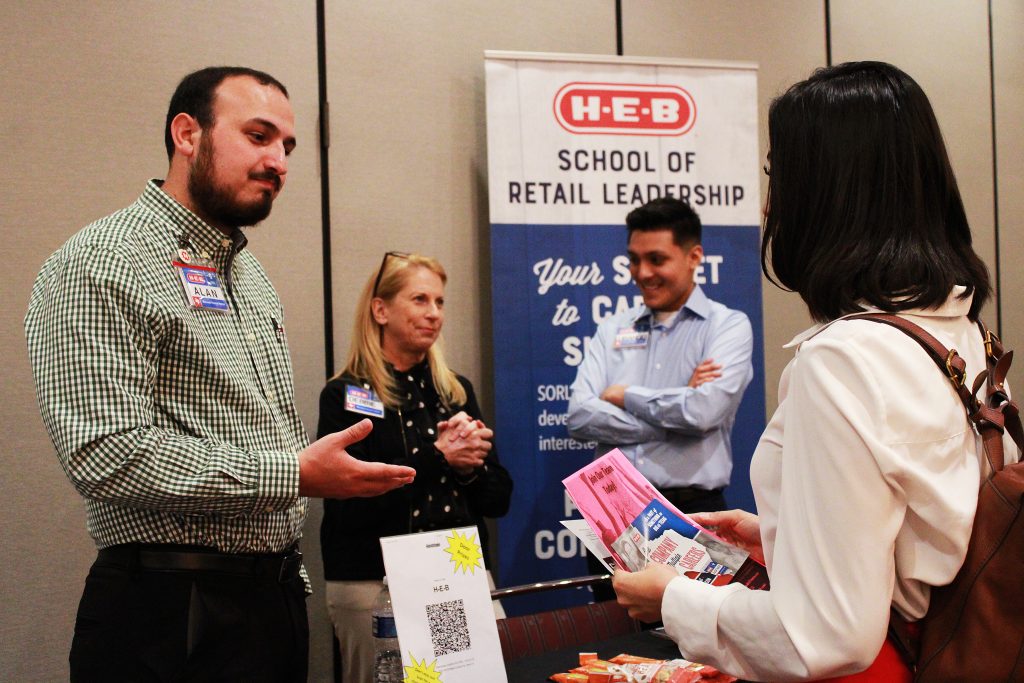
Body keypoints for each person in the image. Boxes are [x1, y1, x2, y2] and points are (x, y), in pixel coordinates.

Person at [612, 61, 1021, 682]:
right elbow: (932, 529)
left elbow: (828, 635)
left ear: (826, 190)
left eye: (777, 172)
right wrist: (781, 533)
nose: (771, 199)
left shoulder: (841, 359)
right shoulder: (963, 337)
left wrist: (673, 599)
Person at [24, 66, 415, 682]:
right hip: (169, 611)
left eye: (287, 146)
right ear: (187, 133)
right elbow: (105, 453)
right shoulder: (101, 262)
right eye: (258, 136)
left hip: (271, 600)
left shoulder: (249, 277)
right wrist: (295, 472)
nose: (279, 161)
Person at [318, 252, 513, 683]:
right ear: (381, 309)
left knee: (472, 679)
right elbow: (351, 500)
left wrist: (469, 468)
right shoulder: (345, 394)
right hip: (373, 579)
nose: (434, 313)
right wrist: (439, 456)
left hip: (457, 572)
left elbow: (498, 499)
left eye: (440, 302)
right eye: (420, 299)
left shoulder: (454, 389)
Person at [566, 197, 754, 593]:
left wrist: (626, 394)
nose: (642, 273)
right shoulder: (612, 327)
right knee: (612, 645)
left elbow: (704, 412)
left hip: (692, 513)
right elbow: (580, 417)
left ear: (694, 256)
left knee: (694, 644)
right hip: (612, 513)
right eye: (634, 260)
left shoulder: (728, 327)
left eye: (656, 259)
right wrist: (676, 406)